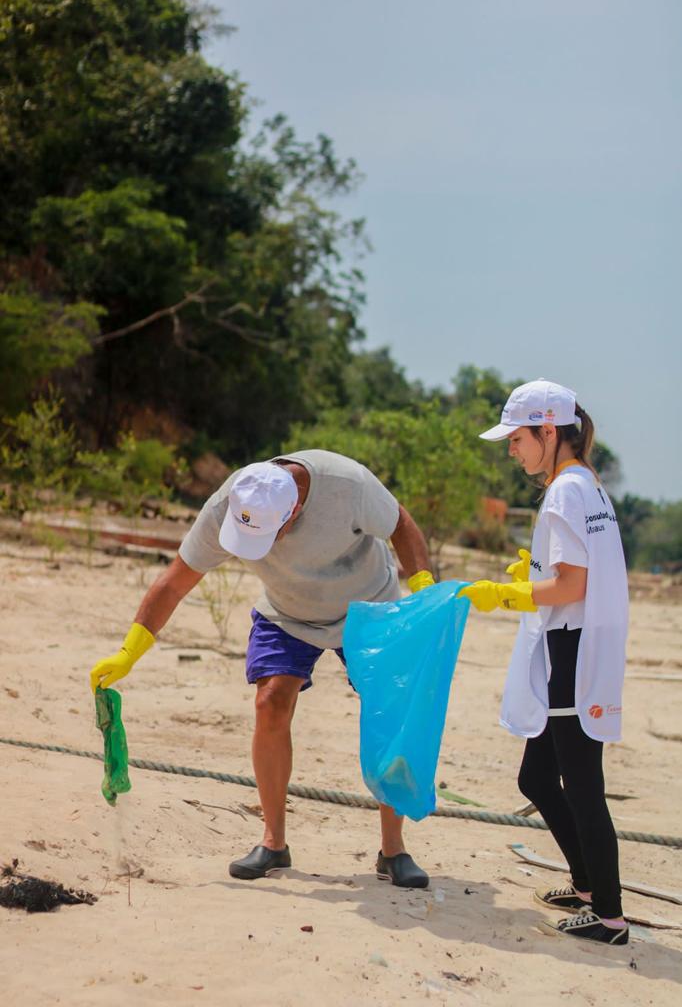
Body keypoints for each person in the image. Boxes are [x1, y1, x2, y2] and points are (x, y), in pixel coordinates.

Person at [90, 449, 436, 887]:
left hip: (370, 605)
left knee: (389, 711)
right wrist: (129, 651)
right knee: (271, 702)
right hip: (288, 611)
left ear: (292, 513)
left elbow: (401, 524)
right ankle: (274, 843)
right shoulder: (230, 504)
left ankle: (393, 849)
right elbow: (175, 581)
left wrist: (423, 590)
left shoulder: (348, 484)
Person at [459, 379, 630, 946]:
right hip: (581, 645)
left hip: (573, 650)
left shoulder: (564, 492)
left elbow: (570, 585)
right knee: (536, 776)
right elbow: (571, 577)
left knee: (582, 786)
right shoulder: (587, 486)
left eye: (518, 438)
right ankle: (586, 885)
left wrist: (507, 594)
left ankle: (608, 916)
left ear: (548, 431)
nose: (512, 449)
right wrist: (530, 580)